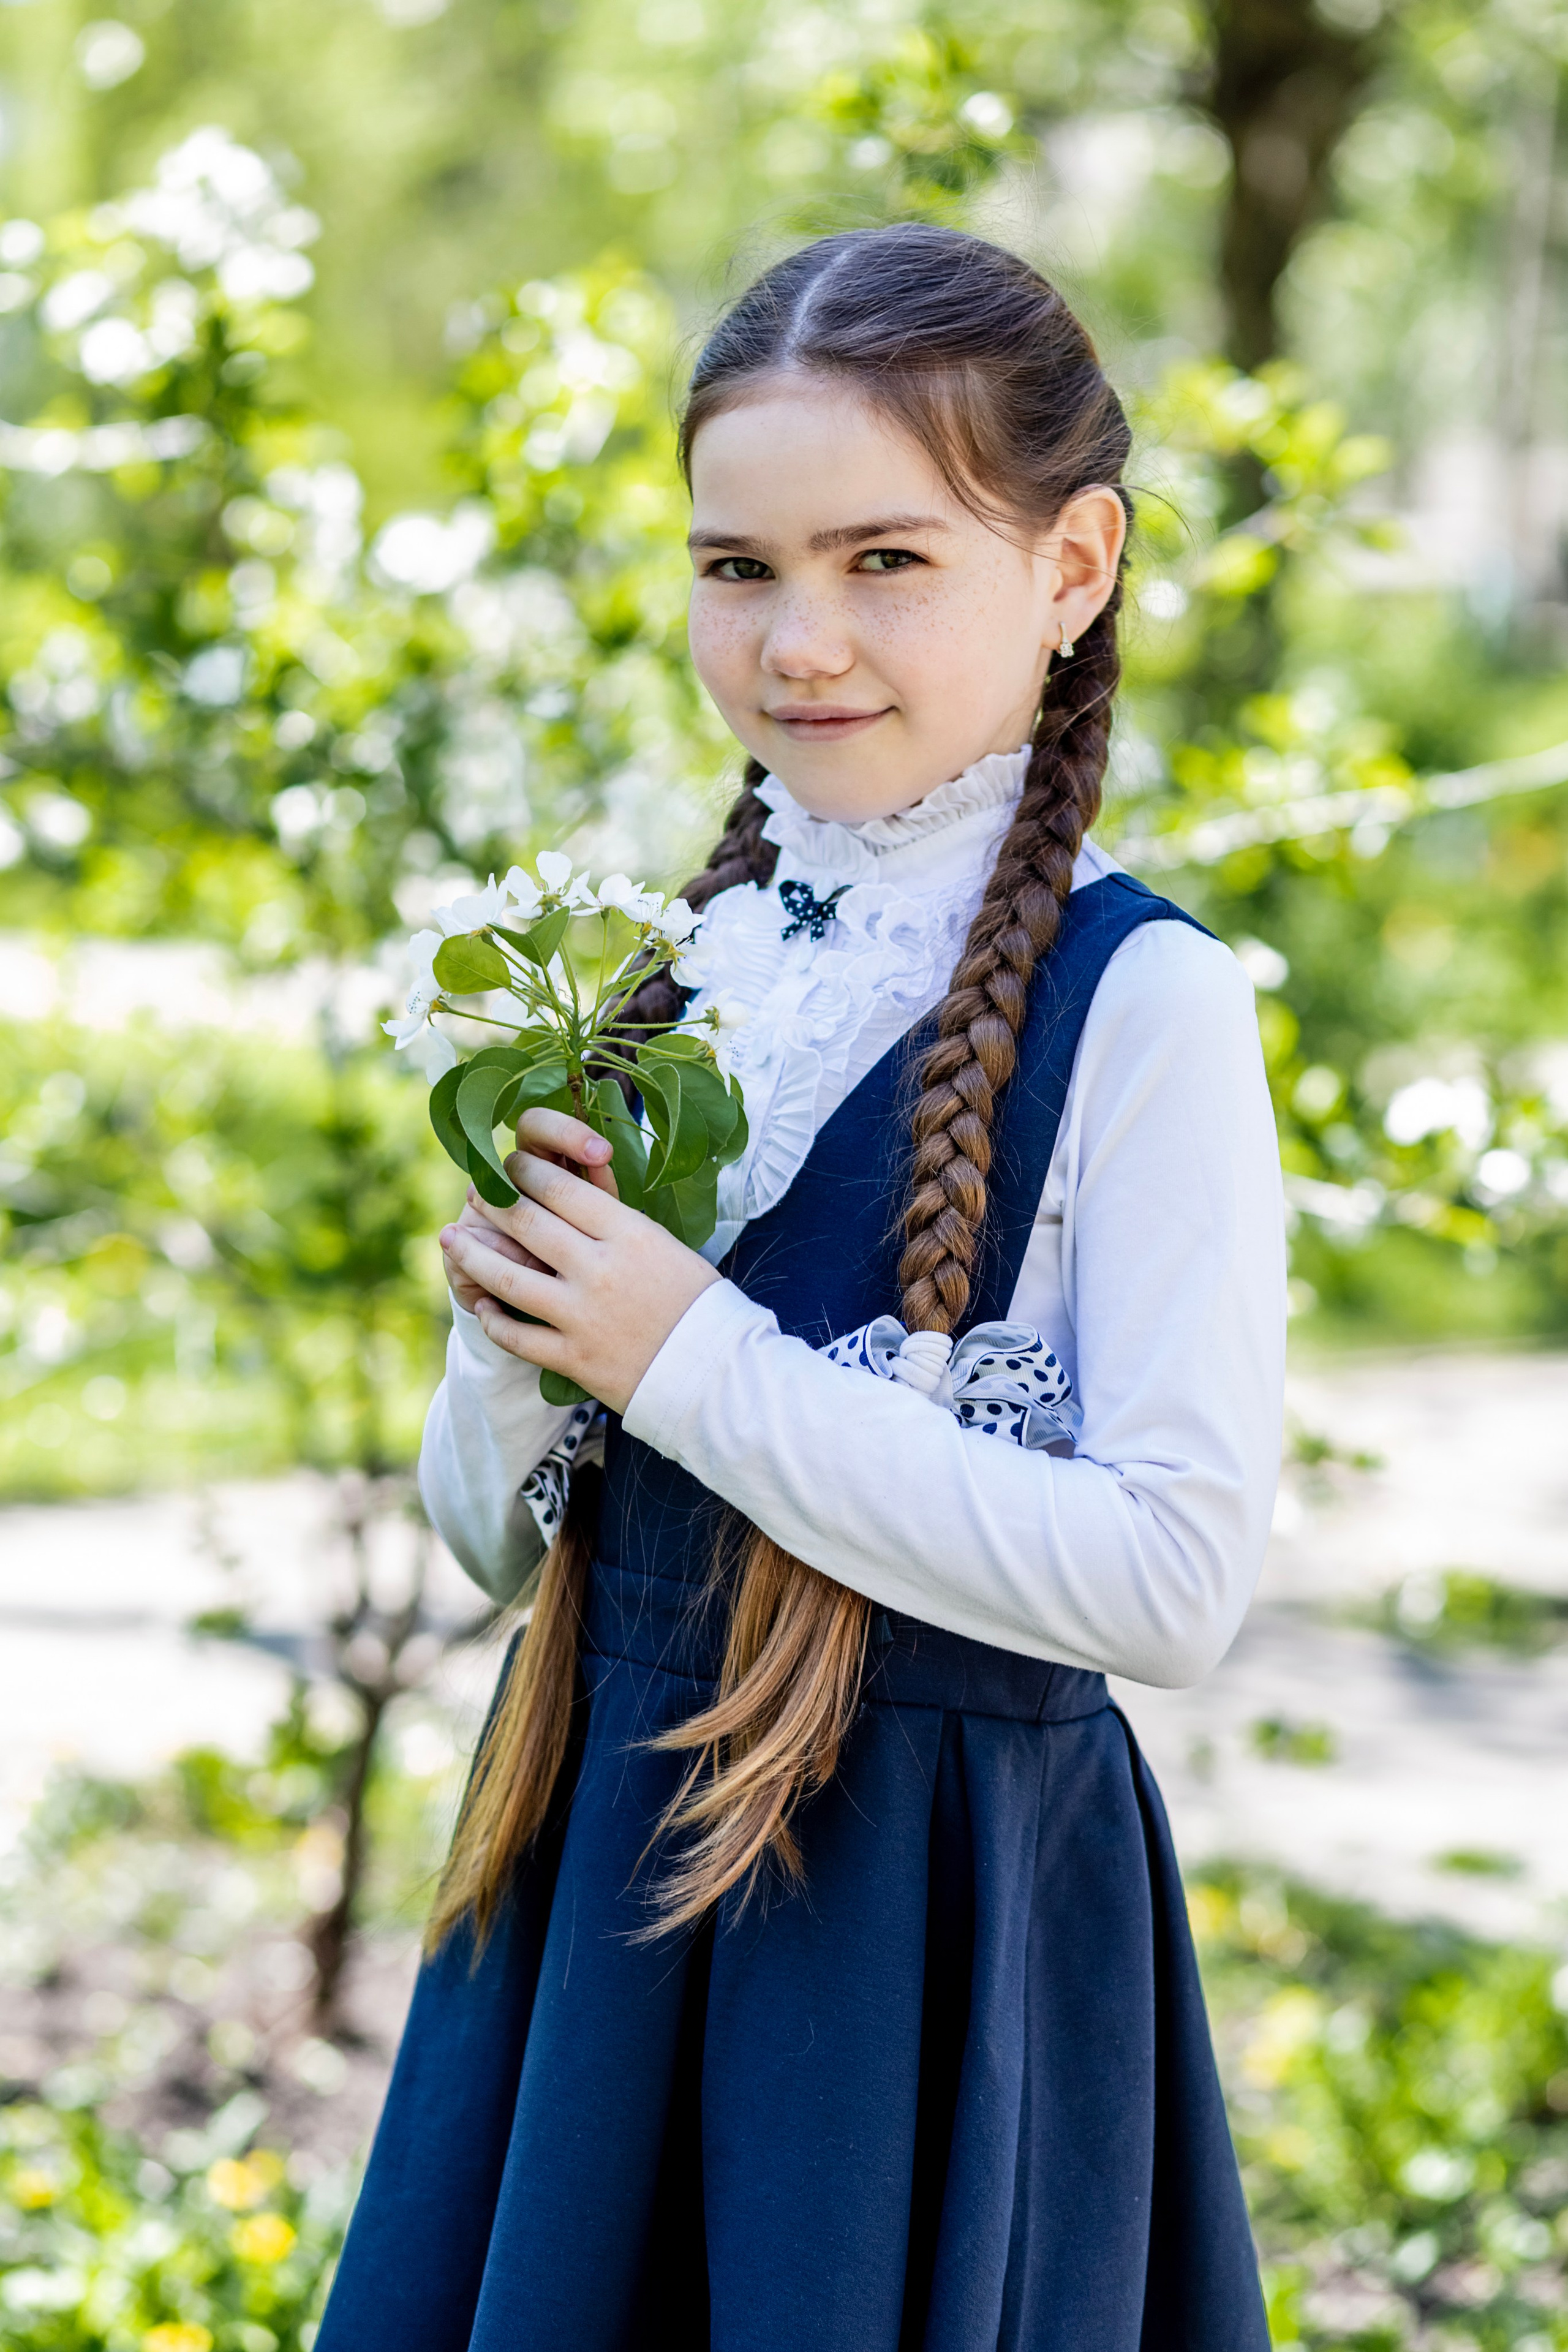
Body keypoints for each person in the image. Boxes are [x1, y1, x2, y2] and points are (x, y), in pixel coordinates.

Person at [318, 222, 1285, 2352]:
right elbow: (505, 1552)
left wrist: (693, 1360)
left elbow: (1177, 1581)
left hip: (910, 1943)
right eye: (736, 568)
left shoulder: (1148, 1008)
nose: (797, 642)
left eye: (886, 560)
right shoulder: (686, 970)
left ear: (1075, 564)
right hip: (602, 1892)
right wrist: (510, 1356)